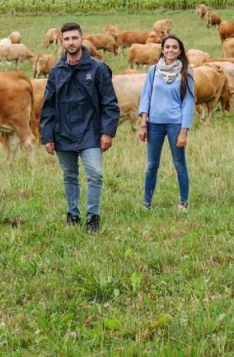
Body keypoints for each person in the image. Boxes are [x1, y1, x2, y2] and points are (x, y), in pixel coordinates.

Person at [40, 22, 120, 233]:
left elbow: (110, 104)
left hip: (91, 132)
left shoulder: (97, 69)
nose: (71, 42)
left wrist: (107, 132)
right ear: (62, 41)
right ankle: (73, 214)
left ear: (81, 39)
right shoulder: (56, 71)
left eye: (74, 38)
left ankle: (93, 216)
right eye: (66, 39)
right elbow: (48, 106)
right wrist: (47, 135)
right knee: (69, 175)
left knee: (95, 174)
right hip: (63, 132)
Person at [138, 34, 196, 212]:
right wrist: (143, 122)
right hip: (154, 123)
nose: (170, 50)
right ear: (162, 50)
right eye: (167, 47)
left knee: (179, 164)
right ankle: (147, 203)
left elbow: (188, 102)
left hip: (175, 124)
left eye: (174, 47)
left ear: (180, 51)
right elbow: (146, 96)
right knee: (151, 165)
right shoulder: (153, 71)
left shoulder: (185, 73)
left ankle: (184, 202)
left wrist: (183, 130)